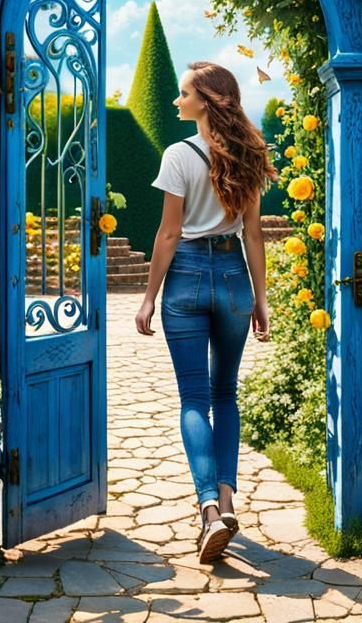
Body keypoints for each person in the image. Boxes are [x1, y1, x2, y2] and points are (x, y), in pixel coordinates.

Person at [134, 60, 275, 564]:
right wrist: (261, 297)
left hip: (188, 277)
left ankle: (211, 511)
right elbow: (253, 234)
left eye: (184, 93)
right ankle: (230, 497)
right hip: (235, 275)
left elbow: (169, 233)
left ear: (207, 100)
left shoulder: (178, 155)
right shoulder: (252, 153)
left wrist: (149, 296)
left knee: (195, 398)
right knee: (225, 394)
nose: (177, 101)